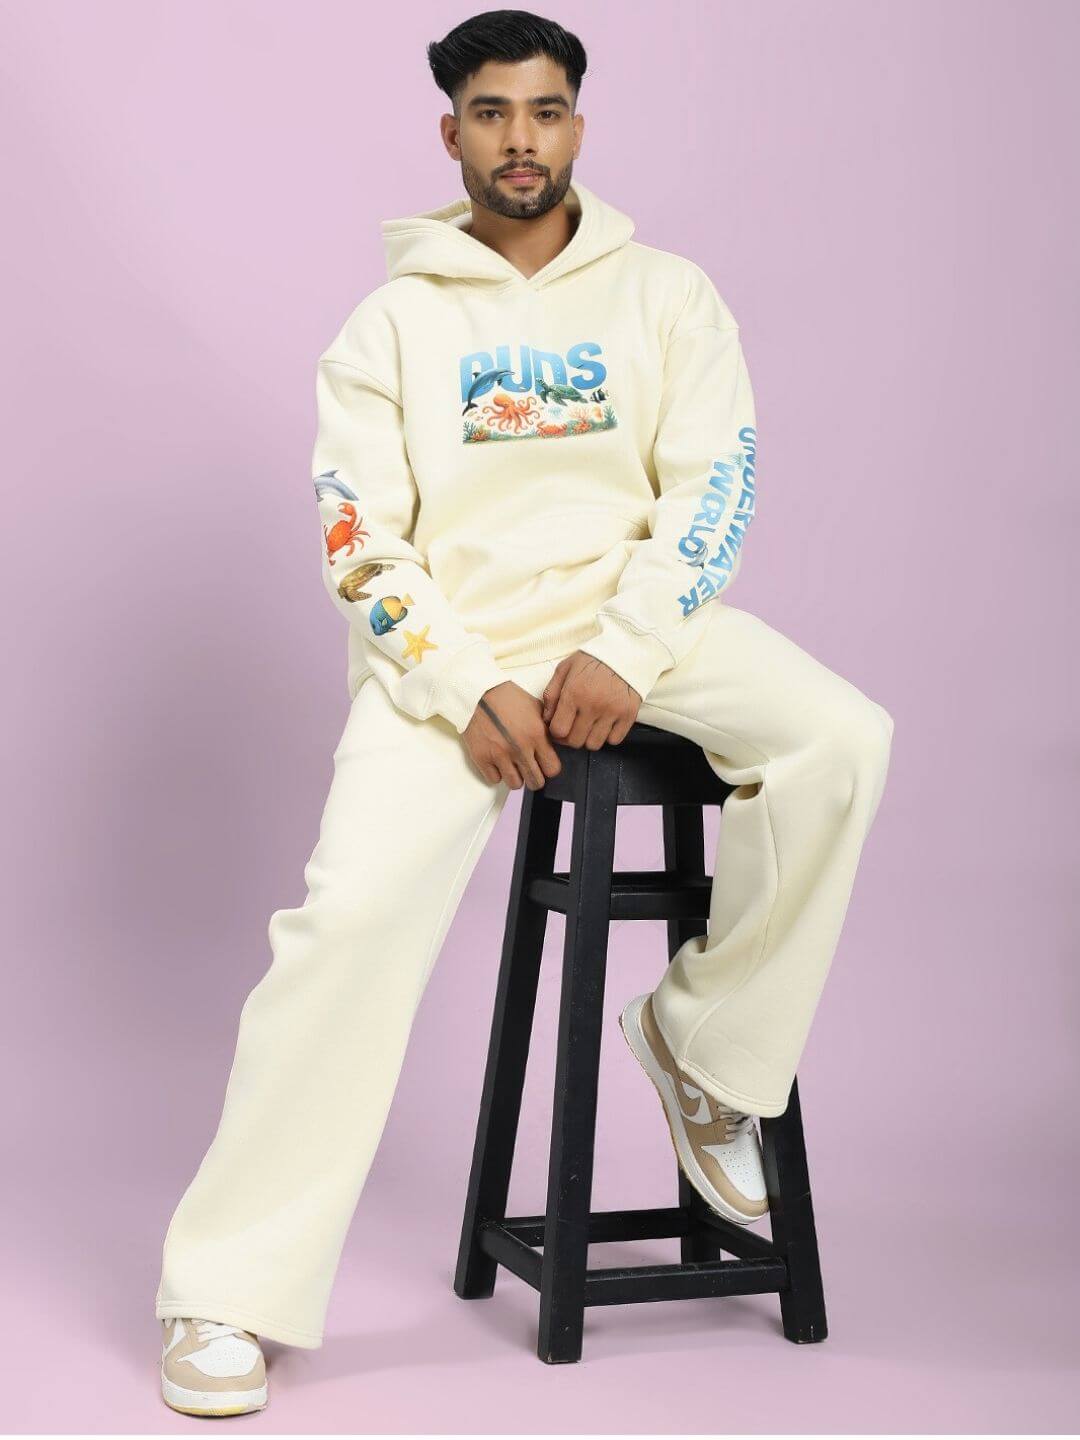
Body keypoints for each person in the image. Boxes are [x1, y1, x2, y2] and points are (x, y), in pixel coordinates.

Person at [155, 9, 893, 1417]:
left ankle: (706, 1048)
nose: (520, 139)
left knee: (842, 739)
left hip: (642, 633)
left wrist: (629, 648)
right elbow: (359, 541)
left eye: (545, 111)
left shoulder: (669, 297)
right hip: (459, 651)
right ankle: (225, 1288)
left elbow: (715, 491)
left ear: (578, 126)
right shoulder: (390, 327)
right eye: (492, 113)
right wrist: (464, 680)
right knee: (348, 923)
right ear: (451, 132)